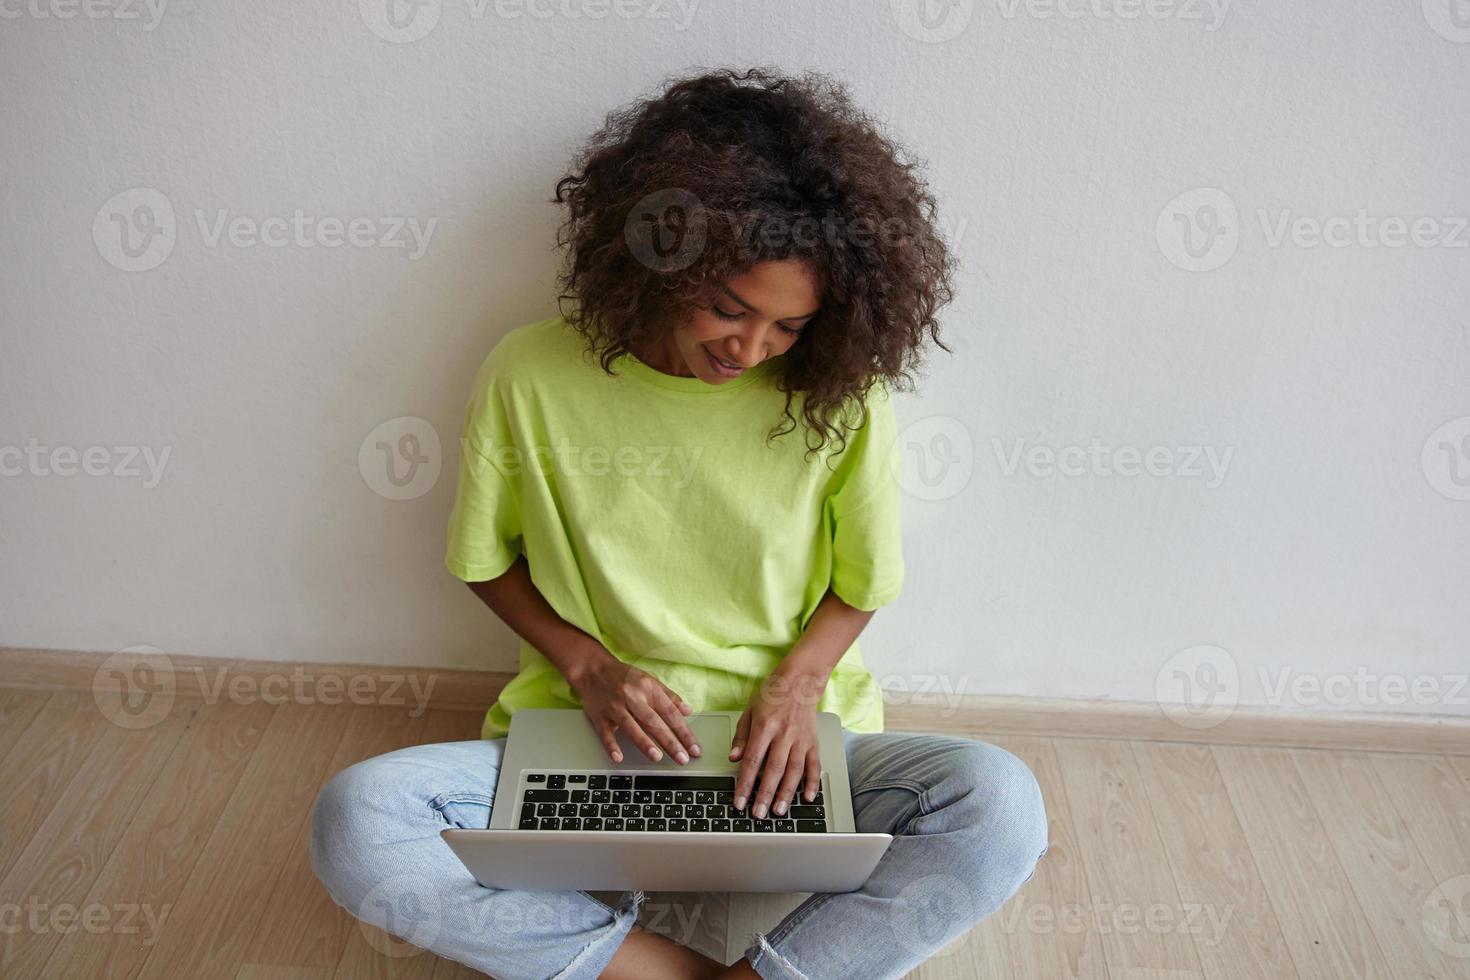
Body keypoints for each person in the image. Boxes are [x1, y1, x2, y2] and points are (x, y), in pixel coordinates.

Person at [310, 65, 1048, 980]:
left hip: (788, 752)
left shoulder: (843, 397)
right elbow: (481, 561)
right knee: (356, 821)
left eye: (788, 328)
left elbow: (861, 587)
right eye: (729, 308)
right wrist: (586, 666)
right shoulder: (529, 375)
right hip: (590, 745)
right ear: (665, 256)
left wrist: (795, 688)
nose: (749, 350)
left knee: (1001, 804)